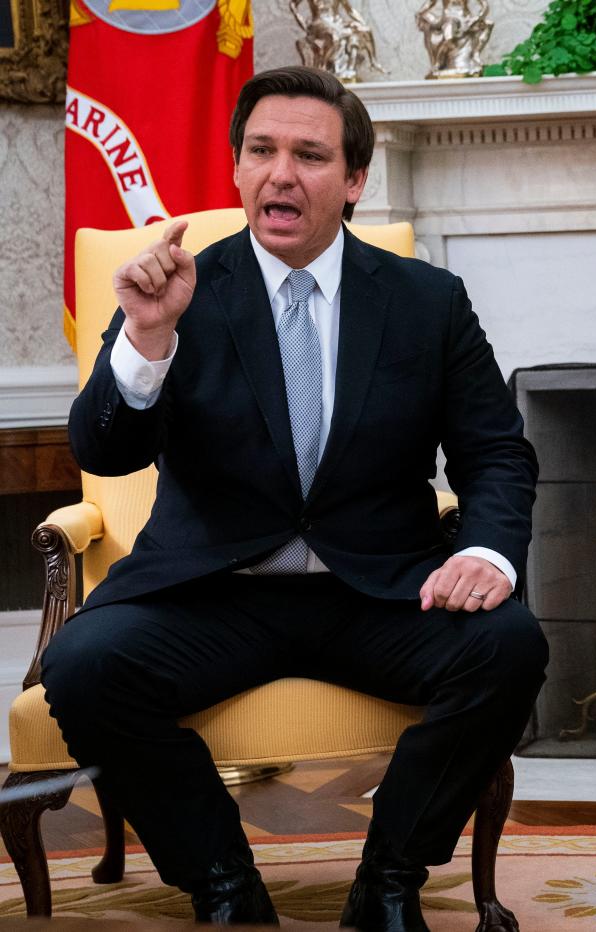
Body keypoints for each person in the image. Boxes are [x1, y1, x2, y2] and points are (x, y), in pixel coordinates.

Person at [41, 65, 546, 931]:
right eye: (261, 151)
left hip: (378, 590)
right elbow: (105, 451)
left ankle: (388, 880)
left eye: (310, 155)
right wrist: (146, 339)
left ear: (352, 181)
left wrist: (486, 551)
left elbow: (497, 450)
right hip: (214, 594)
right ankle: (224, 885)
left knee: (508, 647)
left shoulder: (427, 302)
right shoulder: (179, 291)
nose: (281, 173)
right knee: (84, 669)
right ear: (237, 169)